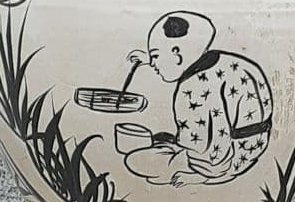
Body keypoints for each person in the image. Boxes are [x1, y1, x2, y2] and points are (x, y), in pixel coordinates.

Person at [116, 11, 273, 186]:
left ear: (177, 54)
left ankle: (197, 169)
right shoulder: (219, 62)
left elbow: (213, 143)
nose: (153, 64)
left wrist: (199, 176)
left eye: (155, 56)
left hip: (231, 158)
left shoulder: (194, 87)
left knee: (135, 161)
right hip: (252, 145)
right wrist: (150, 58)